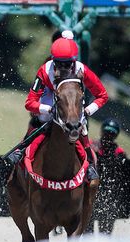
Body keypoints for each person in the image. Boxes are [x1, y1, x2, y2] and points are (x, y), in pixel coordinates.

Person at [6, 35, 109, 182]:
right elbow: (30, 103)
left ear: (73, 61)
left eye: (67, 64)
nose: (63, 68)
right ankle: (21, 151)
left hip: (72, 101)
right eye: (59, 63)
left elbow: (102, 95)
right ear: (52, 59)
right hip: (50, 95)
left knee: (80, 123)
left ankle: (90, 165)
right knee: (42, 119)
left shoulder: (82, 69)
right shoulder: (44, 71)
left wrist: (87, 110)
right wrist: (47, 109)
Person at [88, 119, 127, 234]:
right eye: (107, 132)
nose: (109, 136)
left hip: (108, 194)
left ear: (116, 135)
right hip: (91, 193)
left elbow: (121, 176)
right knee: (87, 231)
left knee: (105, 233)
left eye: (112, 133)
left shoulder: (119, 153)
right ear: (102, 132)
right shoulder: (91, 146)